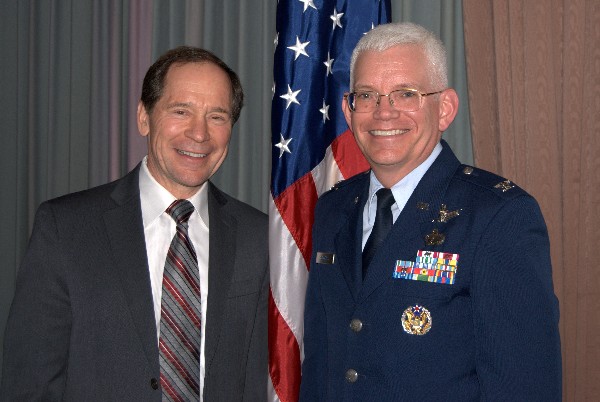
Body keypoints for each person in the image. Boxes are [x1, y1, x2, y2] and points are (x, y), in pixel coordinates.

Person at [299, 22, 561, 401]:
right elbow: (322, 367)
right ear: (348, 109)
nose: (383, 113)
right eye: (367, 95)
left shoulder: (499, 217)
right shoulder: (333, 207)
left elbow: (524, 388)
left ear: (445, 109)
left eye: (406, 94)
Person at [1, 46, 268, 401]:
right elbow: (29, 383)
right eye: (181, 111)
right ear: (144, 117)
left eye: (217, 116)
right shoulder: (65, 229)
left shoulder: (260, 238)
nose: (199, 133)